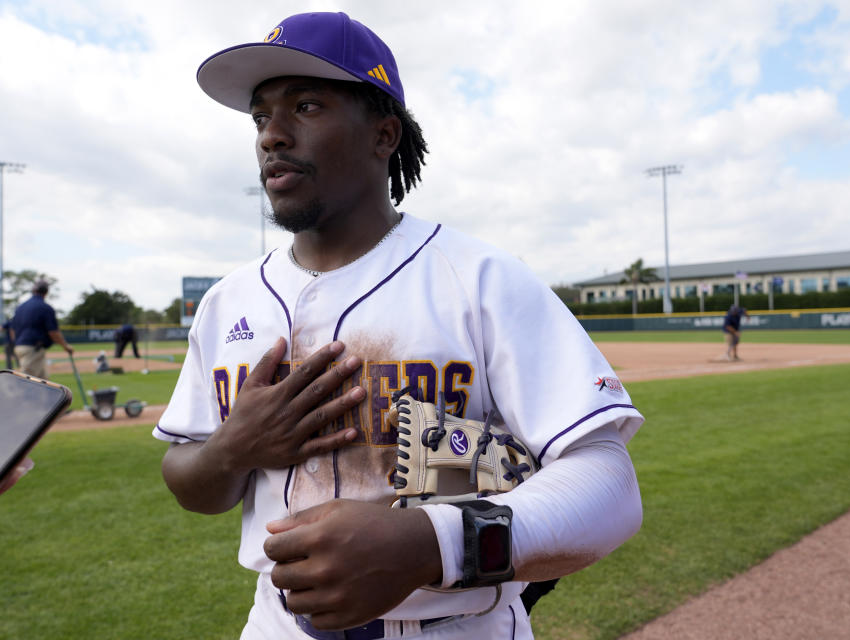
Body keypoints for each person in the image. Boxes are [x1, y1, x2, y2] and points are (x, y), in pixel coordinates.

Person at [155, 12, 644, 640]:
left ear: (384, 135)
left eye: (305, 106)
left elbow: (608, 481)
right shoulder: (228, 301)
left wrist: (431, 543)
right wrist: (233, 449)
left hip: (455, 625)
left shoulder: (479, 278)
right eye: (259, 117)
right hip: (275, 625)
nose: (271, 135)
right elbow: (189, 478)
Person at [9, 280, 73, 378]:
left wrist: (17, 342)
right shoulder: (45, 308)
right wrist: (66, 346)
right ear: (46, 292)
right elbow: (53, 332)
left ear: (33, 291)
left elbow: (12, 329)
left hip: (19, 347)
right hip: (33, 349)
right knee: (26, 383)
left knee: (44, 383)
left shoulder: (20, 307)